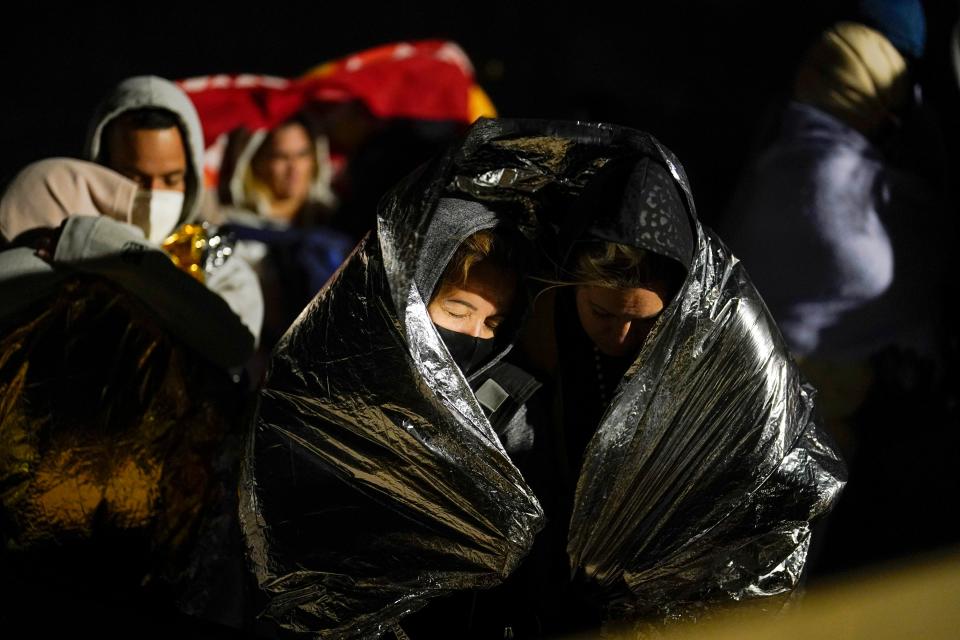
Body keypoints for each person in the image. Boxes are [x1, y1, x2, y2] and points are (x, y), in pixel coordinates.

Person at [84, 75, 264, 346]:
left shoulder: (225, 272)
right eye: (133, 178)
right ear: (99, 169)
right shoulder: (64, 247)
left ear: (191, 179)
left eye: (170, 179)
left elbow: (229, 350)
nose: (153, 194)